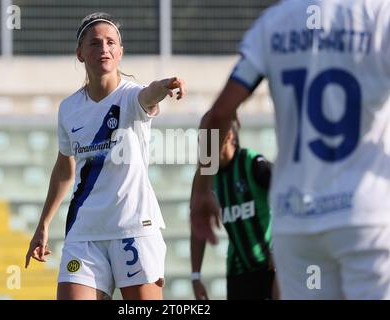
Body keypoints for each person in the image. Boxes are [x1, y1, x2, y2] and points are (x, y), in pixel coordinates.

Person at [191, 0, 390, 299]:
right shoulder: (378, 14)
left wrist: (203, 188)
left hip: (297, 222)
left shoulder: (273, 22)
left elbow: (216, 117)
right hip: (363, 215)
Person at [24, 12, 186, 300]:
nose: (104, 49)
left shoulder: (131, 97)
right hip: (84, 234)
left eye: (111, 43)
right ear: (80, 54)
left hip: (134, 229)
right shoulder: (69, 108)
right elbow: (64, 170)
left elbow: (148, 94)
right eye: (95, 43)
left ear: (120, 52)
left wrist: (164, 86)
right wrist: (43, 225)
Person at [190, 119, 276, 300]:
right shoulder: (205, 178)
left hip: (271, 266)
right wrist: (196, 276)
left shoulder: (253, 163)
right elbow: (198, 228)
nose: (201, 143)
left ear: (227, 136)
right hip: (238, 272)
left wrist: (278, 249)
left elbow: (287, 201)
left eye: (207, 137)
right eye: (201, 137)